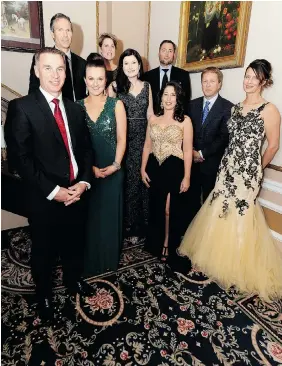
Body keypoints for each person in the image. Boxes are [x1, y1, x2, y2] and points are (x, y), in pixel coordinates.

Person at [178, 59, 282, 301]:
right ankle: (216, 259)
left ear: (264, 81)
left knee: (242, 214)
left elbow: (273, 145)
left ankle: (236, 265)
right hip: (226, 169)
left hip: (247, 174)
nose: (248, 81)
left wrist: (256, 167)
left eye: (254, 77)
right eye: (247, 76)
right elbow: (228, 141)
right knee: (221, 211)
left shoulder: (270, 110)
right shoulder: (235, 108)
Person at [4, 47, 93, 322]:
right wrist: (54, 192)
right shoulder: (23, 107)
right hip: (44, 198)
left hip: (76, 194)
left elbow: (86, 151)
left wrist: (85, 182)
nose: (55, 75)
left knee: (73, 243)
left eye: (60, 69)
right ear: (36, 70)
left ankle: (72, 280)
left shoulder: (76, 110)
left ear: (66, 73)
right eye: (48, 68)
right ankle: (43, 295)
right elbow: (20, 159)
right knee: (43, 250)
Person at [77, 53, 127, 276]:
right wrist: (90, 170)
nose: (96, 83)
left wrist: (116, 164)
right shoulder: (76, 107)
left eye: (100, 78)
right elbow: (76, 145)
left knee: (109, 217)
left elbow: (122, 139)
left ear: (105, 80)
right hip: (88, 174)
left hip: (113, 171)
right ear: (85, 80)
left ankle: (108, 259)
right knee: (90, 218)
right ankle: (90, 260)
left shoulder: (116, 105)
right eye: (91, 78)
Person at [141, 81, 193, 262]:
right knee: (156, 207)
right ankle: (155, 242)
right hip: (155, 167)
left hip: (174, 168)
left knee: (169, 210)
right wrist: (142, 168)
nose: (169, 98)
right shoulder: (153, 119)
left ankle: (168, 244)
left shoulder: (185, 121)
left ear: (178, 99)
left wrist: (187, 176)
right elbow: (147, 145)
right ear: (161, 97)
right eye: (166, 94)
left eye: (173, 95)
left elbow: (187, 151)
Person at [109, 48, 154, 237]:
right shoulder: (114, 86)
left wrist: (153, 139)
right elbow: (110, 116)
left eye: (133, 62)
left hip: (144, 140)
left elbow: (150, 115)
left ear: (139, 65)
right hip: (124, 139)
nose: (130, 67)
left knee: (143, 181)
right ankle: (128, 224)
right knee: (128, 183)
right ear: (122, 66)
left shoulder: (147, 86)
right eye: (126, 63)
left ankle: (143, 225)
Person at [187, 67, 233, 222]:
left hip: (212, 165)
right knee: (190, 203)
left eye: (212, 81)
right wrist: (191, 151)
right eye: (204, 81)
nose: (207, 85)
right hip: (190, 163)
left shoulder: (228, 107)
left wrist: (201, 154)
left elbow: (223, 138)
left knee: (209, 204)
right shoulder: (191, 104)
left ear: (219, 84)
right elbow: (185, 131)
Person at [28, 13, 86, 101]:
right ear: (53, 34)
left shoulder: (82, 63)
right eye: (60, 30)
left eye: (68, 30)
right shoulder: (43, 59)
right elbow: (33, 92)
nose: (65, 35)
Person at [143, 40, 191, 114]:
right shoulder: (147, 76)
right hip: (153, 119)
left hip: (175, 120)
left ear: (174, 55)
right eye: (164, 50)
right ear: (159, 53)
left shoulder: (183, 75)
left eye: (170, 51)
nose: (167, 54)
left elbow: (186, 101)